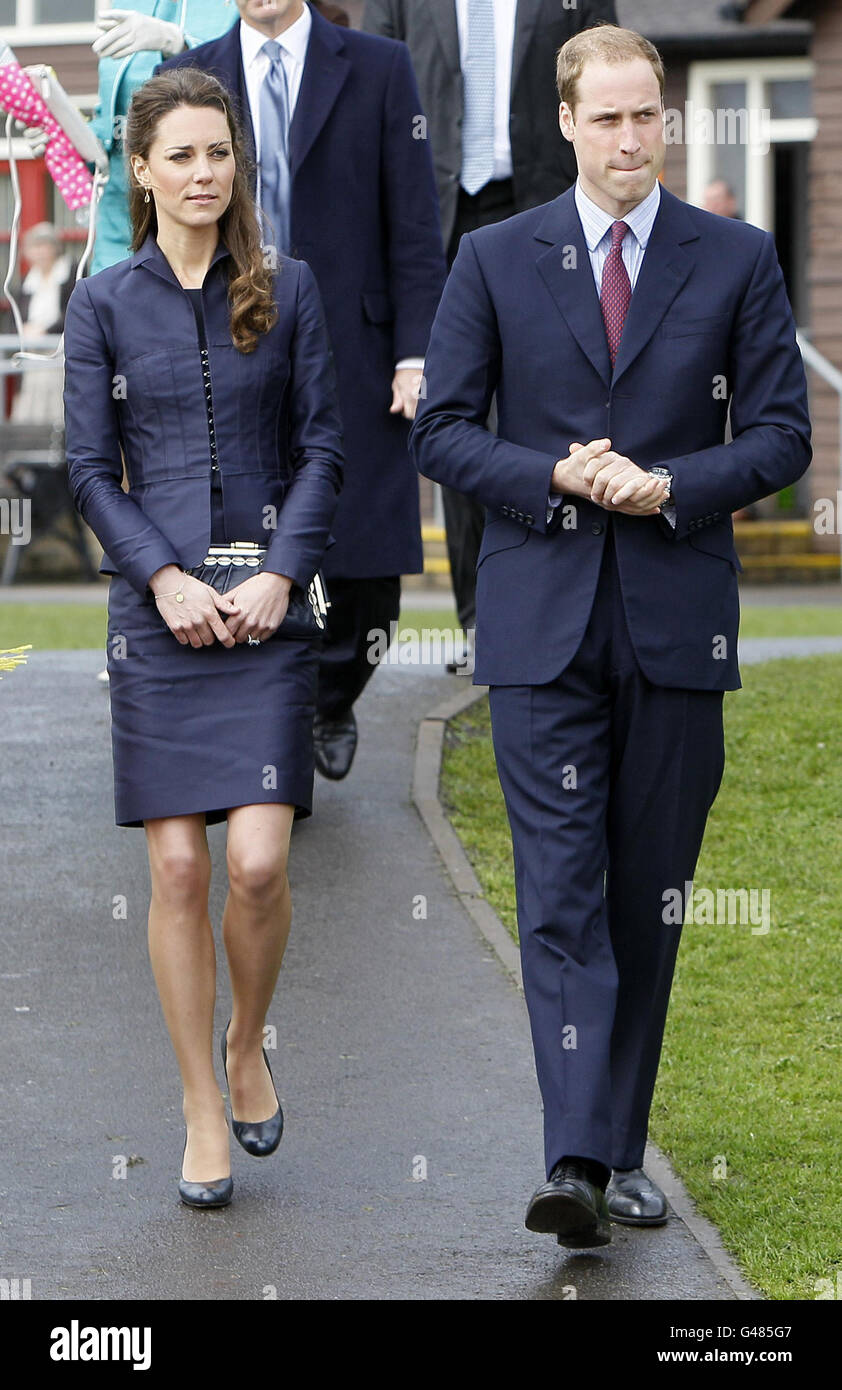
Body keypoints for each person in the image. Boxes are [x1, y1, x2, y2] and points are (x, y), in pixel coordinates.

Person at [410, 24, 811, 1247]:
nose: (632, 138)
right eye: (609, 118)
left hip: (674, 623)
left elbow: (783, 436)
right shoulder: (490, 256)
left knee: (648, 901)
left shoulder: (734, 257)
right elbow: (440, 430)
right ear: (567, 120)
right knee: (560, 897)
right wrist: (557, 477)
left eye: (649, 117)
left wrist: (669, 483)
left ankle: (614, 1146)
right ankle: (577, 1164)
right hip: (541, 624)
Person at [63, 67, 344, 1209]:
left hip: (269, 609)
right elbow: (87, 470)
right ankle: (196, 1100)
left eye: (216, 153)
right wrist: (165, 578)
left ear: (238, 165)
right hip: (157, 611)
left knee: (259, 863)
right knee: (178, 866)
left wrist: (282, 574)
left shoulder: (287, 287)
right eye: (178, 155)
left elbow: (325, 448)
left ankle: (248, 1042)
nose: (200, 173)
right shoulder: (103, 301)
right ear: (140, 168)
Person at [159, 0, 447, 780]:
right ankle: (269, 717)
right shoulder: (189, 74)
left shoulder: (379, 69)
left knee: (364, 555)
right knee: (239, 532)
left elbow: (415, 224)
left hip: (356, 338)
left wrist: (416, 351)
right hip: (230, 334)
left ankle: (332, 697)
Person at [362, 0, 617, 659]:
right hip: (437, 222)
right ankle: (482, 621)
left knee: (548, 409)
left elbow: (608, 71)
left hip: (545, 214)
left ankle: (557, 612)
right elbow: (375, 90)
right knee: (454, 421)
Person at [10, 223, 75, 425]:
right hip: (33, 358)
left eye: (44, 246)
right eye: (34, 247)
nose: (39, 253)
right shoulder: (27, 282)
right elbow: (14, 319)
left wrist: (46, 330)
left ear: (55, 247)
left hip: (61, 354)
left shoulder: (71, 273)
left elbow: (74, 312)